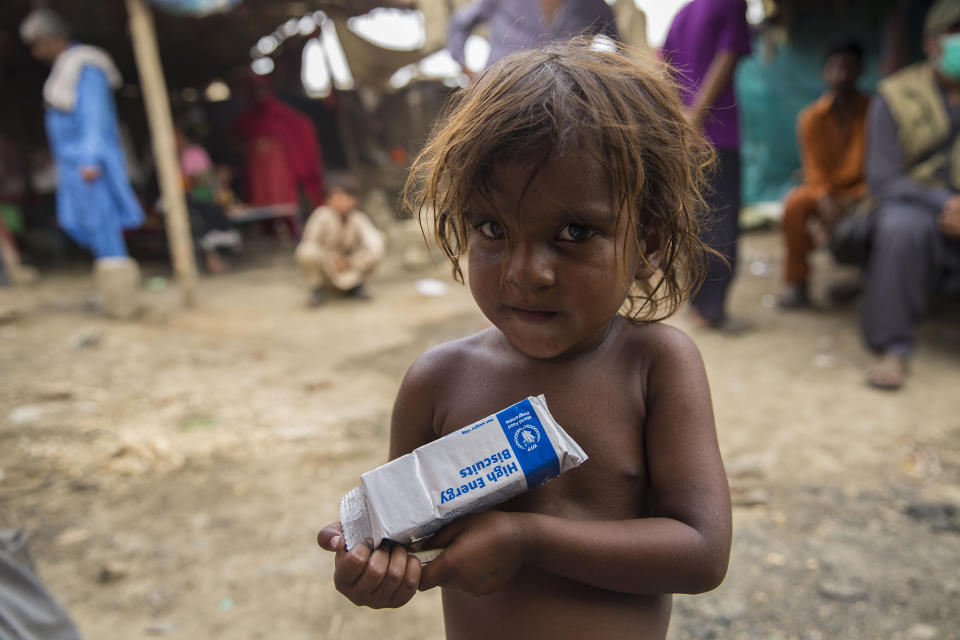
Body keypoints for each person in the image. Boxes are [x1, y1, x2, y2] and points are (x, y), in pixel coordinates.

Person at [316, 41, 731, 638]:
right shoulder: (437, 383)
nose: (525, 272)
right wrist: (372, 568)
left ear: (650, 244)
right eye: (492, 228)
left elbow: (702, 551)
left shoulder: (655, 366)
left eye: (575, 230)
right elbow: (404, 541)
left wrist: (528, 540)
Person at [861, 0, 960, 390]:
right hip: (919, 203)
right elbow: (885, 180)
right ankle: (894, 346)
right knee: (901, 228)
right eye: (955, 32)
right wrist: (947, 205)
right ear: (931, 43)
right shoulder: (894, 95)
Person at [20, 9, 144, 317]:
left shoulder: (85, 67)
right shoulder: (66, 69)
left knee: (104, 225)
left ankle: (121, 298)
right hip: (74, 165)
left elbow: (94, 118)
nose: (36, 53)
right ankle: (111, 293)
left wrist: (90, 159)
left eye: (39, 44)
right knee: (90, 224)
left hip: (89, 165)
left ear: (56, 38)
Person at [662, 0, 752, 332]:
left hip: (686, 136)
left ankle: (699, 304)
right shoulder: (731, 4)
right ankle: (709, 310)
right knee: (721, 223)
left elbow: (665, 69)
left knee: (698, 220)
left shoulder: (683, 13)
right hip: (718, 136)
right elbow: (727, 58)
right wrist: (697, 118)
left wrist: (679, 121)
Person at [778, 41, 870, 309]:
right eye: (834, 68)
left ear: (860, 71)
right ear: (824, 73)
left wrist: (856, 198)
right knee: (795, 205)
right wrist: (824, 197)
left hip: (867, 191)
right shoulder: (811, 118)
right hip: (828, 191)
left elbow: (879, 166)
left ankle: (870, 282)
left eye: (848, 68)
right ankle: (797, 284)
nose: (840, 75)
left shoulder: (875, 112)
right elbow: (814, 168)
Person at [446, 0, 619, 80]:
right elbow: (459, 23)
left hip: (570, 102)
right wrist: (465, 67)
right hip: (502, 91)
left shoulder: (592, 5)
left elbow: (621, 47)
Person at [294, 173, 384, 306]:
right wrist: (332, 261)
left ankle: (356, 286)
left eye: (345, 197)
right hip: (326, 265)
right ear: (328, 200)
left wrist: (351, 261)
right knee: (306, 251)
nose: (341, 201)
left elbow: (373, 242)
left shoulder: (358, 218)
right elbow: (310, 241)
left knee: (378, 245)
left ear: (354, 200)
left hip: (351, 267)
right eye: (336, 197)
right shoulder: (321, 216)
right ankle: (317, 289)